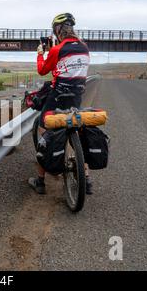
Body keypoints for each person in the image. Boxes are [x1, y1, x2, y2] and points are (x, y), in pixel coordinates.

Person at [28, 13, 94, 195]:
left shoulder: (57, 50)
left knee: (45, 133)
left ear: (57, 30)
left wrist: (41, 54)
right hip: (76, 97)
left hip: (57, 97)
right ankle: (86, 179)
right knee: (77, 132)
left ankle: (40, 181)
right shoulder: (84, 48)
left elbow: (42, 71)